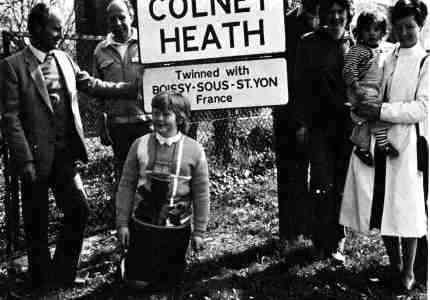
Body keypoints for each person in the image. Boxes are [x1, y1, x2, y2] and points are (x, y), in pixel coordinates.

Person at [1, 3, 140, 294]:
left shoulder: (64, 58)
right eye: (55, 28)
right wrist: (24, 159)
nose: (60, 34)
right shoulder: (13, 66)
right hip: (34, 158)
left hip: (64, 155)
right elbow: (11, 118)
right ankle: (42, 283)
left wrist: (130, 88)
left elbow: (91, 84)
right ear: (36, 29)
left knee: (79, 210)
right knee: (36, 223)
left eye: (61, 28)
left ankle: (63, 275)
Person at [340, 0, 428, 291]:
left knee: (409, 206)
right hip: (380, 139)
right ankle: (395, 265)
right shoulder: (386, 56)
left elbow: (421, 108)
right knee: (384, 206)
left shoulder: (425, 61)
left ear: (421, 26)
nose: (404, 33)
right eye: (399, 27)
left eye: (410, 27)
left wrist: (381, 111)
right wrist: (360, 107)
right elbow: (367, 86)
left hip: (409, 142)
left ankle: (411, 271)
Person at [116, 91, 210, 295]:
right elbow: (126, 185)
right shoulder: (139, 145)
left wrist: (199, 232)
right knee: (138, 284)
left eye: (166, 114)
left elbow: (202, 194)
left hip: (176, 230)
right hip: (143, 226)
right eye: (156, 112)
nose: (159, 119)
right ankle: (128, 267)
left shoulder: (194, 150)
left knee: (168, 285)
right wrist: (122, 223)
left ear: (180, 117)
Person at [294, 0, 354, 262]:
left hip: (348, 128)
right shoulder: (308, 43)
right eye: (331, 12)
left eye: (340, 12)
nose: (336, 17)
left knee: (342, 184)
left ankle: (338, 241)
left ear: (348, 14)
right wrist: (302, 124)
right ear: (322, 15)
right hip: (318, 126)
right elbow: (299, 88)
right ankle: (320, 239)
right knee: (321, 184)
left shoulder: (356, 44)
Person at [93, 0, 151, 217]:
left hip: (147, 122)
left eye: (122, 17)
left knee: (150, 174)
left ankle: (152, 222)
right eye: (112, 19)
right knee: (126, 176)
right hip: (118, 126)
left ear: (132, 16)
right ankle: (126, 224)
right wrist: (101, 124)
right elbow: (96, 91)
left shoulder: (148, 42)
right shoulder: (100, 51)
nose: (117, 23)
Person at [273, 0, 320, 250]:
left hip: (322, 112)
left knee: (323, 175)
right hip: (287, 110)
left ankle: (320, 233)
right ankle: (290, 231)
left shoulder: (330, 19)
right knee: (290, 172)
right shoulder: (283, 22)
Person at [343, 11, 397, 167]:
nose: (372, 34)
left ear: (382, 31)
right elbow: (348, 70)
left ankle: (362, 147)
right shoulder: (357, 50)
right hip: (361, 87)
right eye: (367, 30)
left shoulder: (382, 49)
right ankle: (382, 143)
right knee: (375, 111)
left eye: (376, 29)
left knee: (366, 121)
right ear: (359, 32)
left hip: (374, 87)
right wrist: (355, 87)